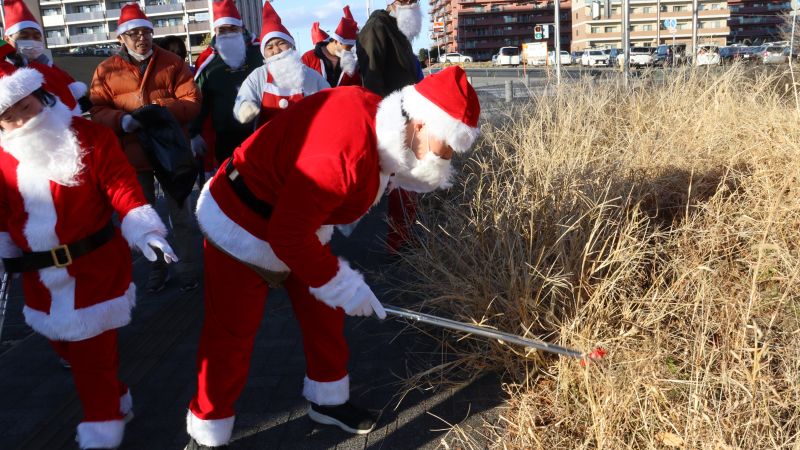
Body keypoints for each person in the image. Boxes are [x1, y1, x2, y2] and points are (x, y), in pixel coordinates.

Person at [184, 66, 480, 449]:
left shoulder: (385, 126)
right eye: (449, 145)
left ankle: (329, 400)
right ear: (422, 124)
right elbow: (287, 235)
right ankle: (207, 430)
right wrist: (342, 284)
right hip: (240, 220)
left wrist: (335, 288)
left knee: (323, 314)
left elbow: (300, 223)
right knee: (231, 334)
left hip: (293, 219)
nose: (449, 156)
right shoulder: (345, 151)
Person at [0, 63, 175, 450]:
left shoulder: (90, 137)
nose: (20, 122)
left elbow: (120, 184)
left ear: (41, 98)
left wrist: (144, 227)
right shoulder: (2, 156)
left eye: (24, 108)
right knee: (66, 347)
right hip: (40, 277)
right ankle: (116, 397)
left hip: (93, 268)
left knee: (90, 357)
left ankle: (103, 429)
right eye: (8, 118)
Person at [89, 2, 202, 294]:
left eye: (146, 32)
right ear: (121, 38)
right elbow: (97, 110)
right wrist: (122, 120)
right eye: (134, 33)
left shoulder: (172, 63)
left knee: (182, 216)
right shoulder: (105, 70)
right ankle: (157, 269)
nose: (142, 38)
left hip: (172, 153)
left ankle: (188, 269)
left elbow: (192, 102)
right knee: (143, 218)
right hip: (132, 154)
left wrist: (158, 109)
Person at [357, 0, 426, 253]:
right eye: (406, 0)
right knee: (400, 181)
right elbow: (371, 79)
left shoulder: (398, 28)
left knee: (407, 181)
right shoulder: (376, 27)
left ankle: (405, 235)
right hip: (393, 117)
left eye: (414, 0)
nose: (412, 4)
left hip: (408, 114)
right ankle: (397, 242)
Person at [189, 0, 263, 166]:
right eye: (223, 30)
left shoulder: (260, 52)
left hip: (260, 130)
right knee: (232, 182)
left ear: (241, 28)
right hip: (225, 135)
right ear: (215, 31)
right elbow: (200, 99)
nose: (228, 33)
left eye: (232, 28)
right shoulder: (207, 60)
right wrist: (194, 133)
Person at [232, 1, 328, 128]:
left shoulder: (311, 76)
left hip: (304, 140)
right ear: (264, 53)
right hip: (269, 142)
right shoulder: (258, 76)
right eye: (270, 47)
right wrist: (245, 108)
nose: (276, 51)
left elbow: (329, 99)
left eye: (281, 43)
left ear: (292, 46)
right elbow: (244, 98)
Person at [2, 0, 88, 114]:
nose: (32, 40)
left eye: (37, 36)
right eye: (24, 36)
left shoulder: (52, 68)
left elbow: (83, 104)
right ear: (7, 39)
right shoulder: (6, 73)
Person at [301, 6, 361, 88]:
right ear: (336, 41)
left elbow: (356, 86)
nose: (350, 50)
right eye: (348, 47)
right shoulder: (309, 58)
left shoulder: (349, 62)